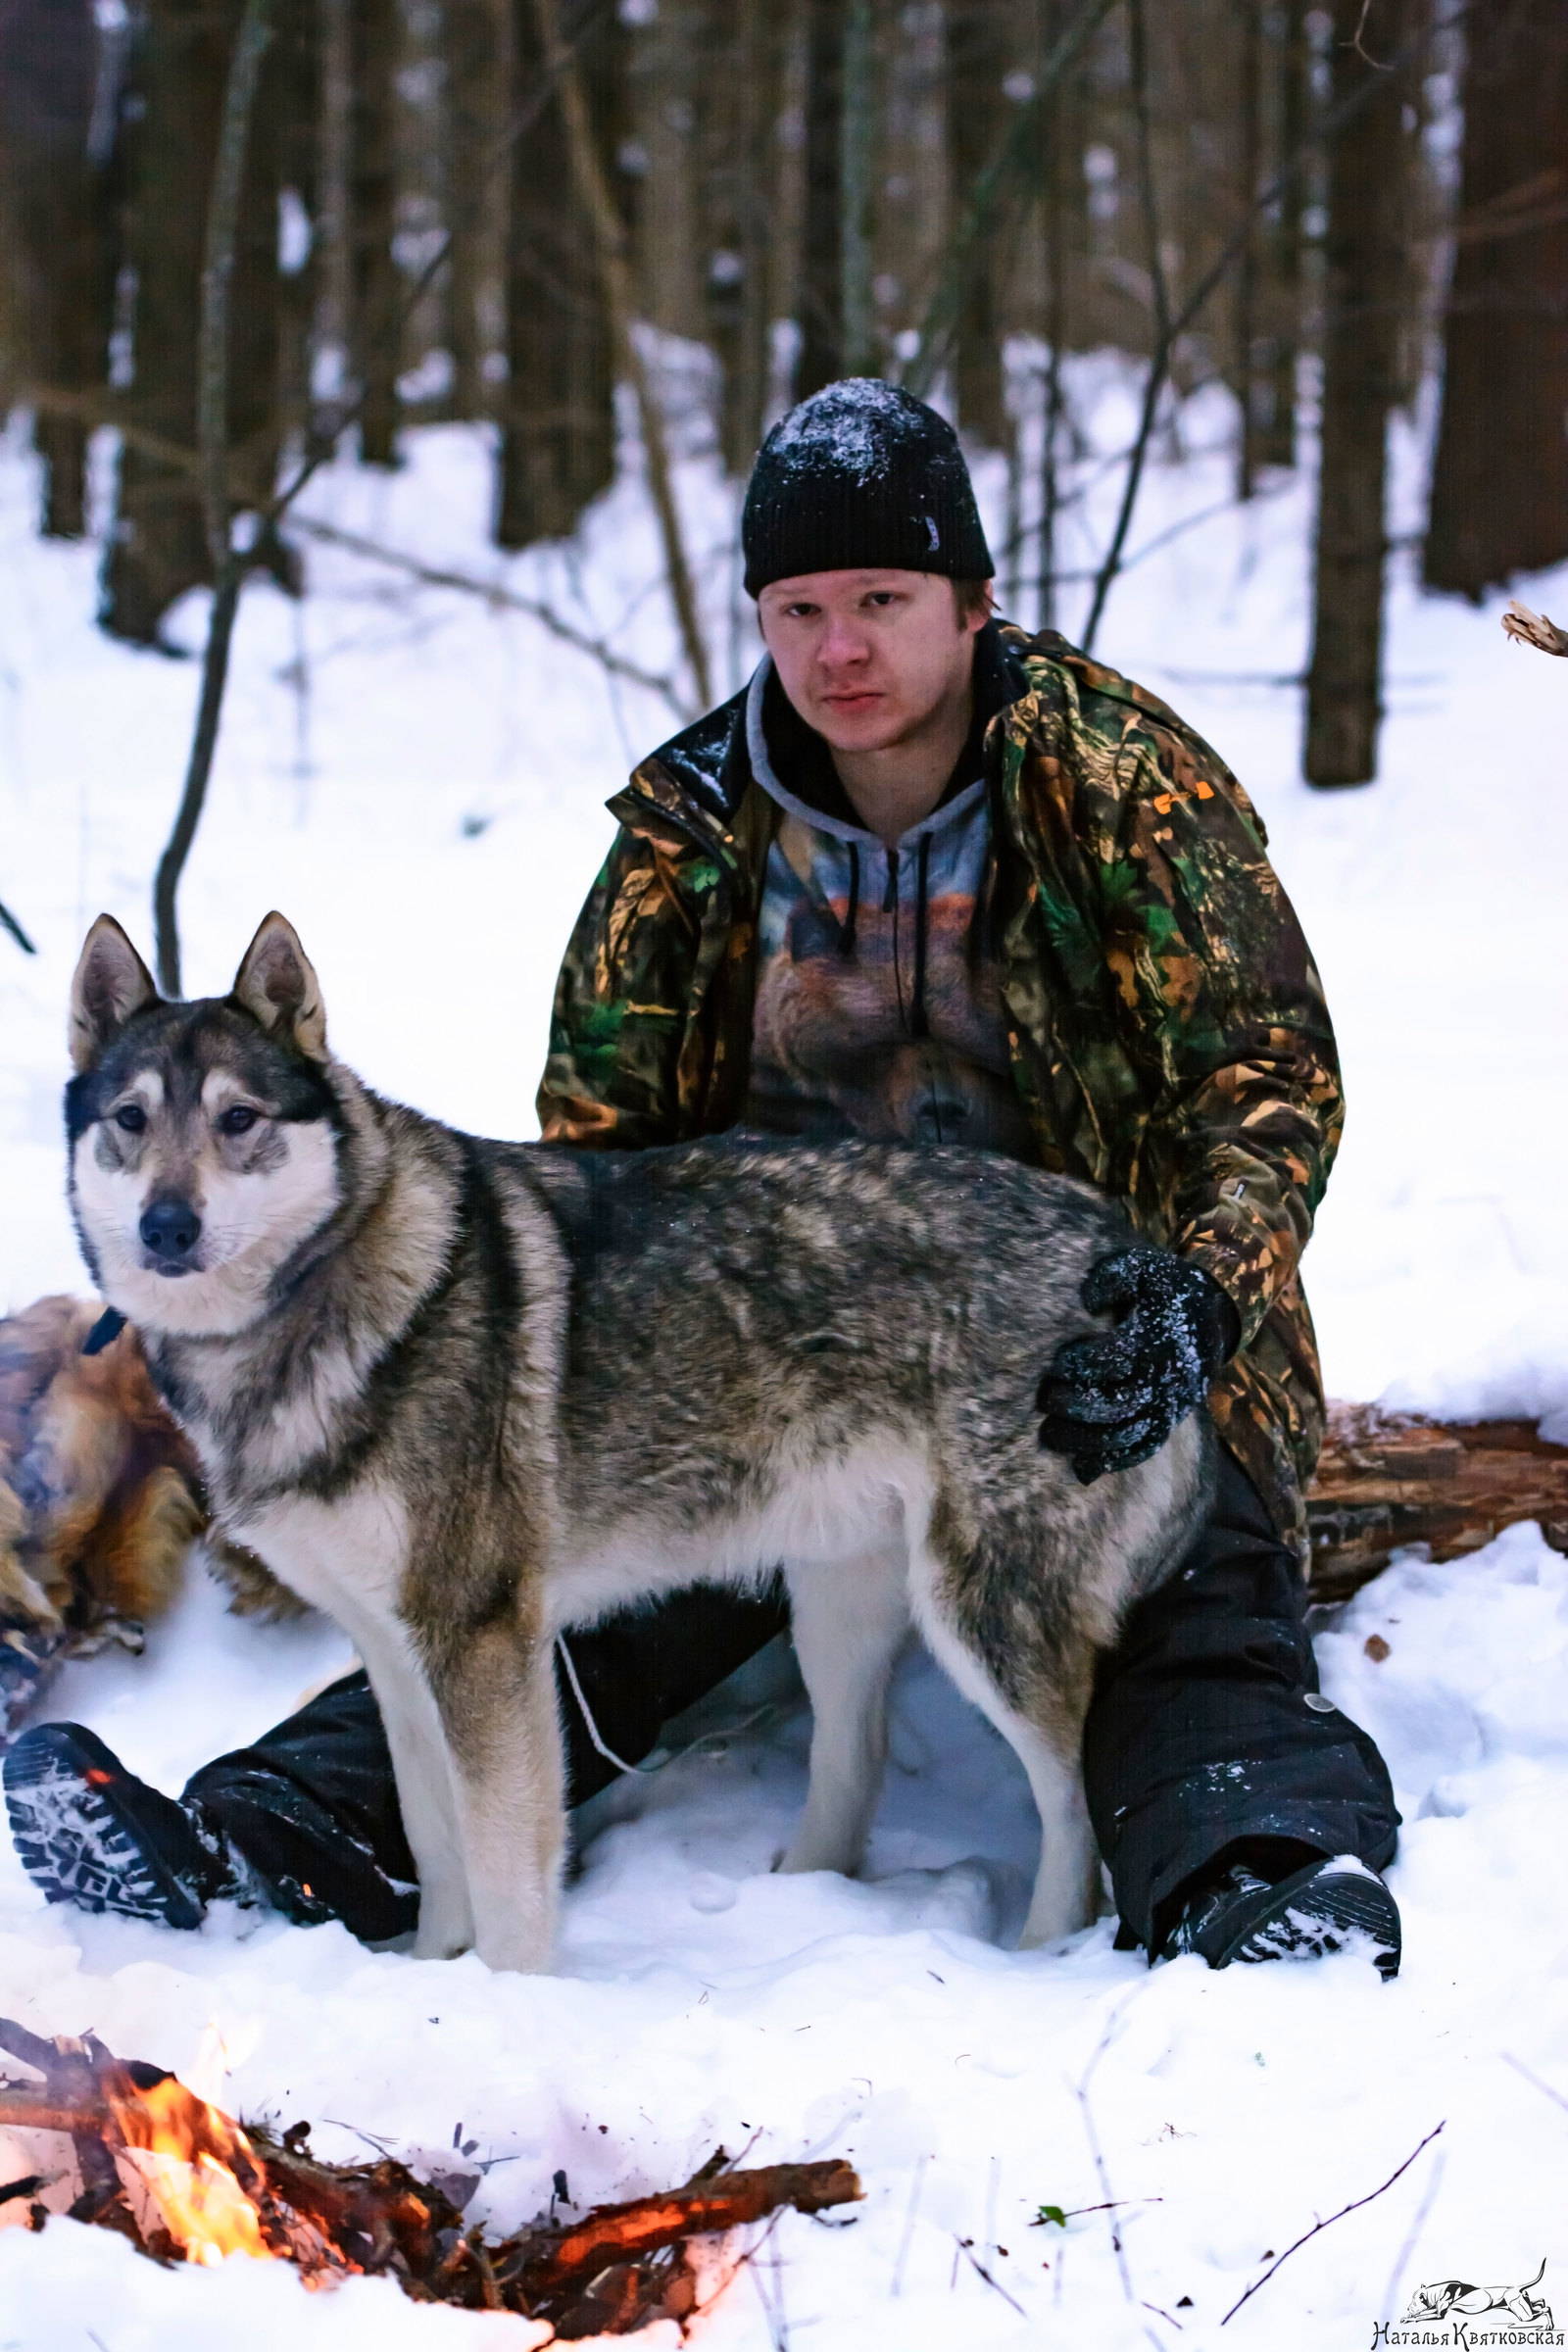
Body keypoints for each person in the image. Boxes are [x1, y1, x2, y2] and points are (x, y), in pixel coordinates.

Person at [5, 380, 1400, 1974]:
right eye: (799, 610)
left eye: (882, 600)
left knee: (1186, 1608)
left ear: (975, 600)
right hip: (767, 1332)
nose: (840, 650)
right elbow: (597, 1150)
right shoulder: (686, 825)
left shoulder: (1116, 777)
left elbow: (1268, 1078)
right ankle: (271, 1839)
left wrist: (1197, 1303)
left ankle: (1265, 1879)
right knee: (532, 1597)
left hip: (1104, 1309)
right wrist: (591, 1400)